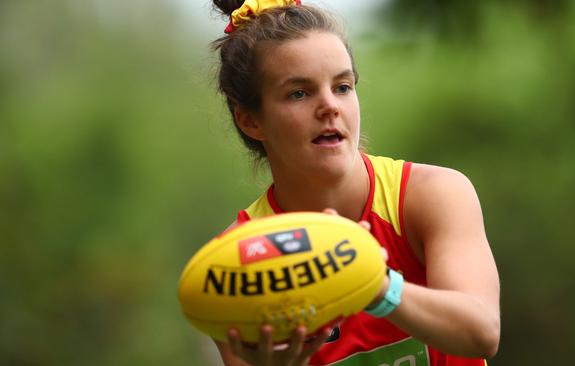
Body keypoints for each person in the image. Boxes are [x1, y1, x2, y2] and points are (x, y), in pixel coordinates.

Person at [208, 0, 500, 365]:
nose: (330, 106)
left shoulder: (429, 195)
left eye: (342, 86)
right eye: (299, 93)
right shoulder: (237, 263)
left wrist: (379, 289)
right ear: (251, 121)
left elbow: (481, 331)